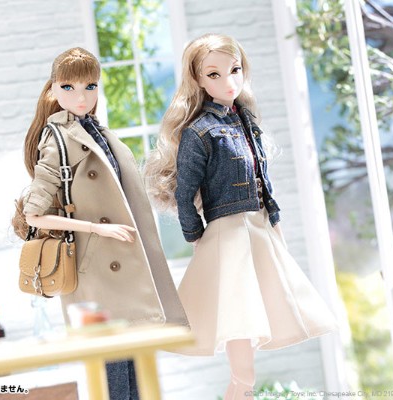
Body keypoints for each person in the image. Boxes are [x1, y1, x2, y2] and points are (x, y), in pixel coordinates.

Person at [144, 34, 338, 399]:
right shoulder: (199, 132)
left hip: (257, 226)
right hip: (228, 233)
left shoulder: (245, 120)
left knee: (256, 315)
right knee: (238, 321)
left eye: (234, 70)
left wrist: (274, 219)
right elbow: (185, 193)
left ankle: (240, 389)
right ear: (198, 80)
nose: (228, 81)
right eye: (214, 74)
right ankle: (241, 388)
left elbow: (262, 177)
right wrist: (196, 236)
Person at [12, 47, 188, 400]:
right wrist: (97, 228)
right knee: (115, 372)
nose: (81, 97)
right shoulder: (57, 139)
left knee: (136, 369)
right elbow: (33, 215)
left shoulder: (96, 131)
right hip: (97, 271)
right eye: (69, 87)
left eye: (90, 86)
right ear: (53, 90)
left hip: (121, 263)